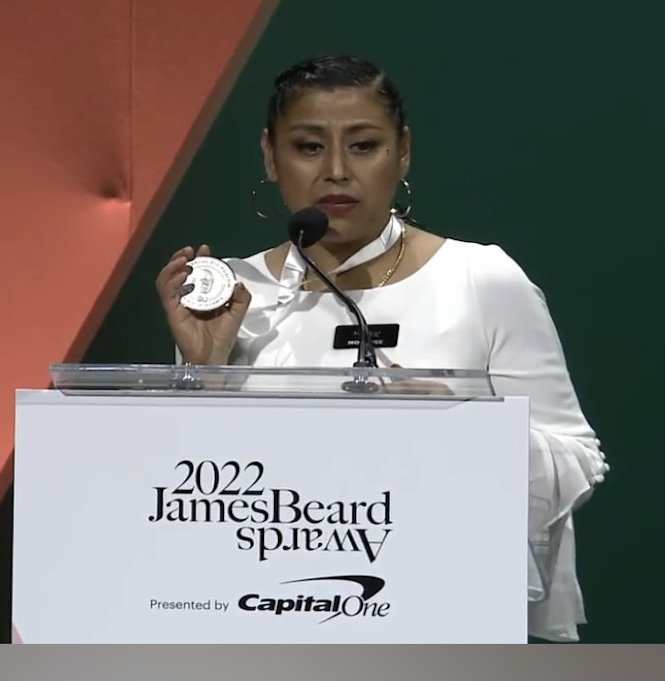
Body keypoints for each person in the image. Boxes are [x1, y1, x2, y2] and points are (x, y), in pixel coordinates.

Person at [153, 53, 609, 642]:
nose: (336, 171)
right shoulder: (233, 293)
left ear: (403, 152)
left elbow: (578, 459)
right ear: (270, 155)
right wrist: (201, 373)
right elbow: (187, 495)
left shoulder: (481, 278)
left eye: (364, 146)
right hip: (260, 616)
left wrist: (466, 432)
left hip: (434, 617)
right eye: (309, 147)